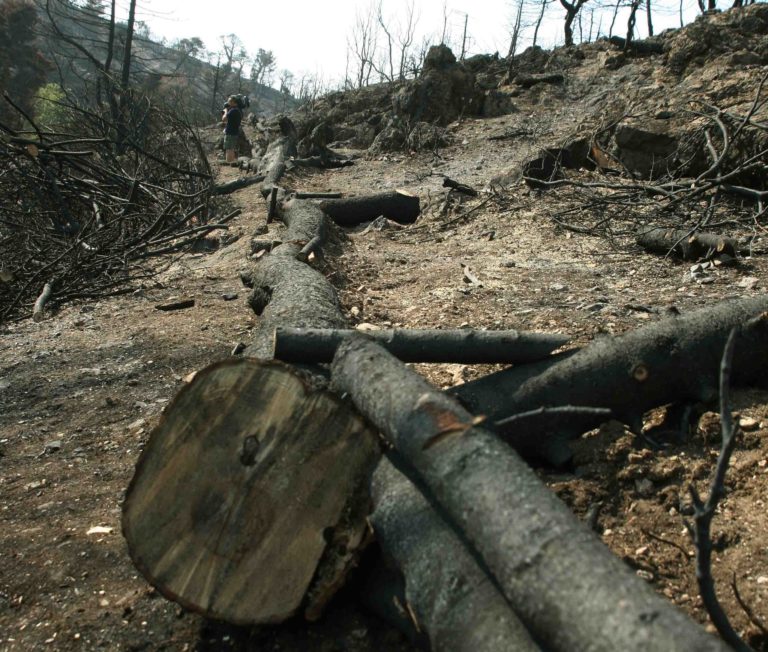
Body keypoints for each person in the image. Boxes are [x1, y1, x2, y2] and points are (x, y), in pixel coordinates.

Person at [221, 96, 242, 163]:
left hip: (230, 132)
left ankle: (228, 162)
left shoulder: (233, 111)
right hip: (234, 132)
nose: (228, 103)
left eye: (229, 101)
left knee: (228, 148)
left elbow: (224, 119)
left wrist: (225, 111)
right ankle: (231, 162)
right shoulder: (237, 110)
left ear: (234, 103)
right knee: (231, 148)